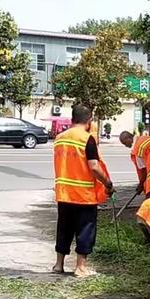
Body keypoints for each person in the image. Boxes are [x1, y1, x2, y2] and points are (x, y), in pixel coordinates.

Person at [52, 105, 114, 278]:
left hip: (64, 193)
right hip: (83, 195)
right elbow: (94, 167)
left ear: (72, 119)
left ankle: (58, 264)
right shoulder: (87, 139)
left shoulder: (59, 138)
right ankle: (80, 268)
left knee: (64, 228)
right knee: (85, 230)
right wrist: (107, 183)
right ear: (89, 121)